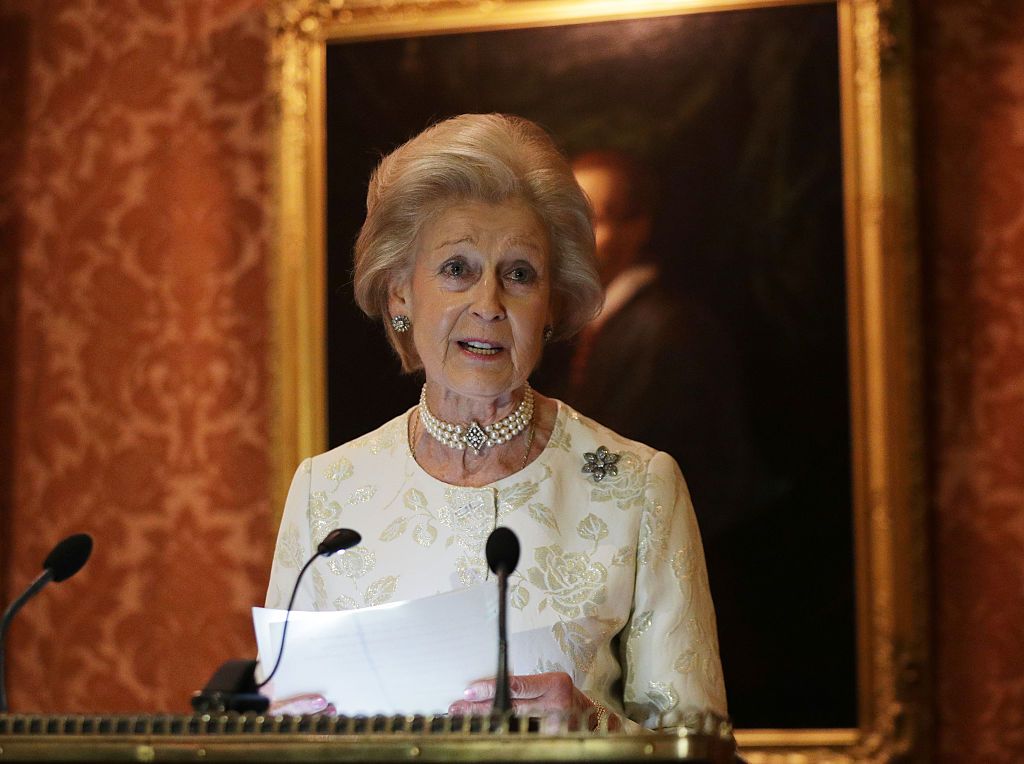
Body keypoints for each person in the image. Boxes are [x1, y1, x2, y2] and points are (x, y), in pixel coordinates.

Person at [264, 114, 727, 731]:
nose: (488, 304)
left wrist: (596, 729)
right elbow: (277, 725)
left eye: (518, 274)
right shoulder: (327, 489)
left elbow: (705, 748)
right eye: (457, 269)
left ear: (552, 305)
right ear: (400, 293)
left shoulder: (638, 484)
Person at [535, 149, 754, 544]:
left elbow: (645, 460)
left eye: (599, 219)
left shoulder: (671, 332)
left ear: (638, 227)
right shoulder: (576, 329)